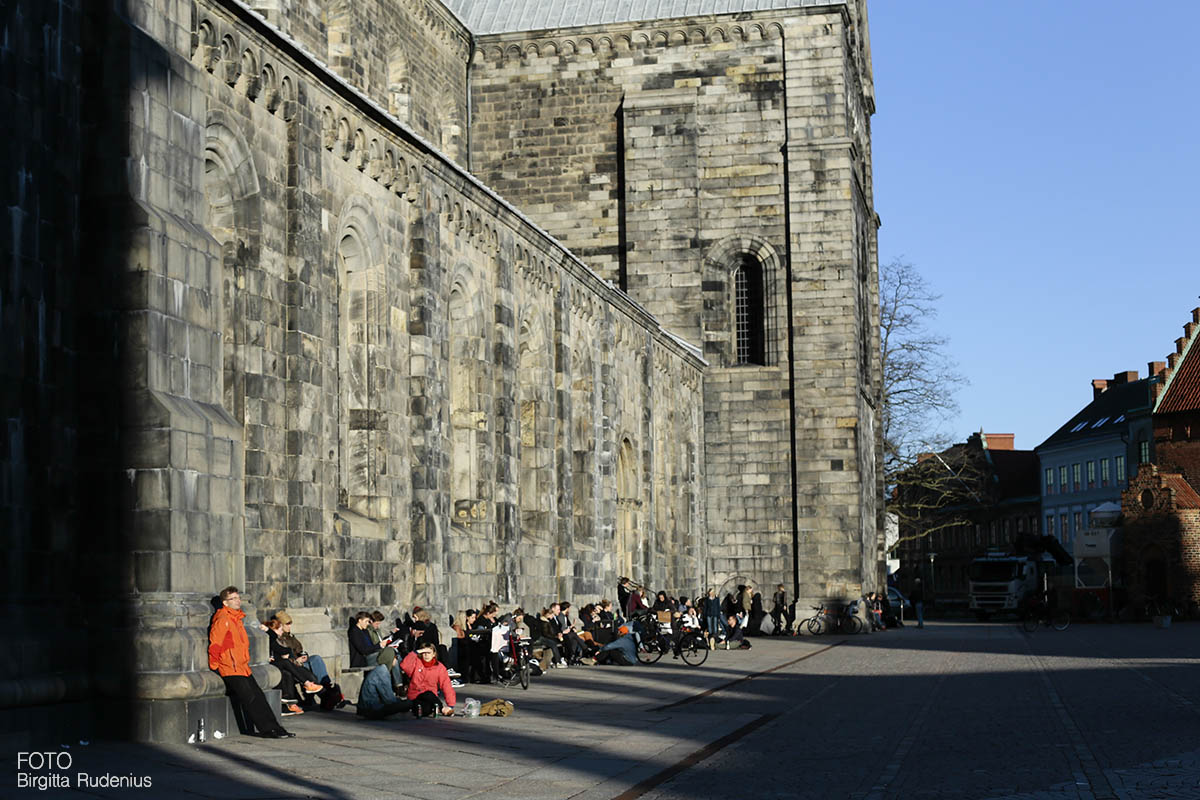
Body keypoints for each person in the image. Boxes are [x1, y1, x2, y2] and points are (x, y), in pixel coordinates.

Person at [208, 586, 294, 738]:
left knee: (258, 696)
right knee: (251, 699)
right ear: (225, 603)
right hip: (230, 667)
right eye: (233, 599)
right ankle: (267, 730)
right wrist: (215, 665)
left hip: (241, 666)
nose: (237, 601)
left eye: (238, 598)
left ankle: (276, 727)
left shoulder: (236, 619)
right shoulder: (223, 619)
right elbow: (215, 644)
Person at [399, 643, 457, 718]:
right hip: (415, 695)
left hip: (430, 697)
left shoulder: (440, 667)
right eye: (424, 653)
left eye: (428, 653)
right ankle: (440, 708)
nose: (426, 655)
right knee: (418, 705)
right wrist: (416, 652)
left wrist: (451, 705)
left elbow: (446, 685)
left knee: (427, 699)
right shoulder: (416, 663)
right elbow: (404, 665)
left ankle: (432, 709)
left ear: (434, 654)